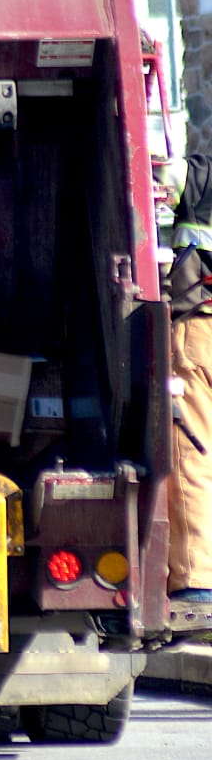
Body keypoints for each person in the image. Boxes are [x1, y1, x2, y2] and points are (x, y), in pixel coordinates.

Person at [154, 155, 212, 628]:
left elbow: (159, 179)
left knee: (194, 454)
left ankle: (197, 578)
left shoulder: (203, 173)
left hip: (201, 330)